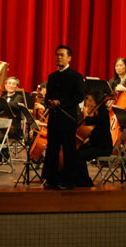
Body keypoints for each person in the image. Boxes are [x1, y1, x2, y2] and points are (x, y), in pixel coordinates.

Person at [42, 45, 86, 190]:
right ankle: (51, 180)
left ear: (69, 58)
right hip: (54, 119)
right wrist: (48, 102)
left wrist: (60, 102)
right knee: (52, 149)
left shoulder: (76, 76)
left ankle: (69, 181)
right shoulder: (52, 76)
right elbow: (48, 95)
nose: (59, 57)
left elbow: (80, 96)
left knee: (68, 150)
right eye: (57, 55)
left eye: (62, 55)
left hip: (68, 119)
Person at [75, 90, 113, 187]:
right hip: (96, 145)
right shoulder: (96, 112)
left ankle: (86, 181)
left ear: (97, 101)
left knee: (79, 155)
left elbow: (90, 121)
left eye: (91, 100)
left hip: (103, 148)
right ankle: (78, 179)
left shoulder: (103, 113)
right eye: (88, 100)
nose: (88, 103)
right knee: (75, 152)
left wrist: (85, 114)